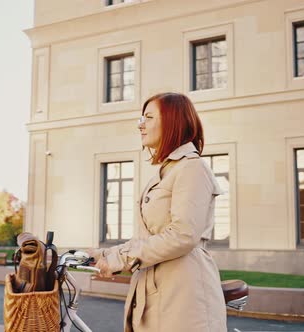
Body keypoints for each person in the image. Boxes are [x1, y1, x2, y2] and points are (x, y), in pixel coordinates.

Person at [89, 93, 227, 331]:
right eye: (141, 118)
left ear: (173, 121)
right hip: (158, 290)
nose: (140, 124)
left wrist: (120, 259)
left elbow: (183, 235)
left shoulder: (192, 168)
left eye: (149, 117)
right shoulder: (168, 170)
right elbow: (148, 237)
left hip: (182, 295)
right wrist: (103, 254)